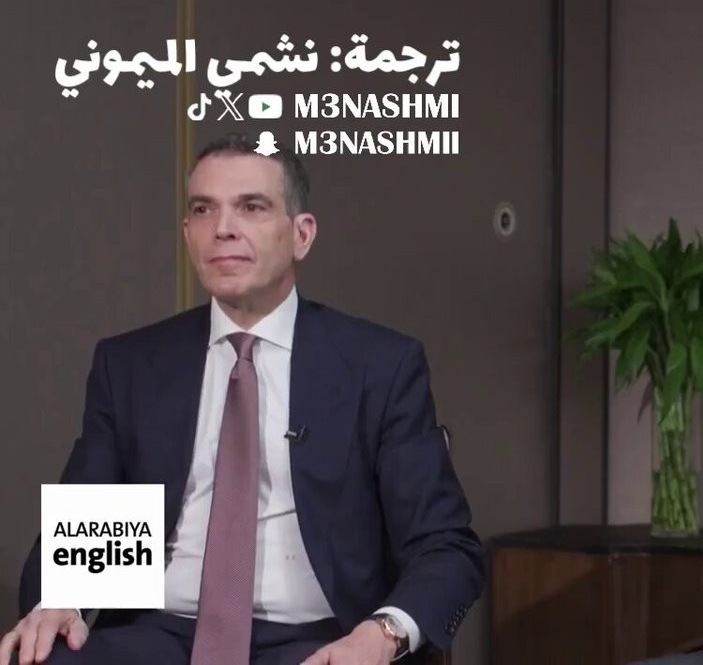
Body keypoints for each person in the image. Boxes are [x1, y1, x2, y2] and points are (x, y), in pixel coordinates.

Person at [2, 133, 484, 665]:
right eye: (203, 209)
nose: (223, 228)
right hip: (157, 635)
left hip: (321, 641)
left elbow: (445, 548)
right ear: (187, 235)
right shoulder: (134, 365)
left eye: (251, 207)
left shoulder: (379, 366)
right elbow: (84, 537)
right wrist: (63, 600)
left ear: (301, 234)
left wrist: (379, 635)